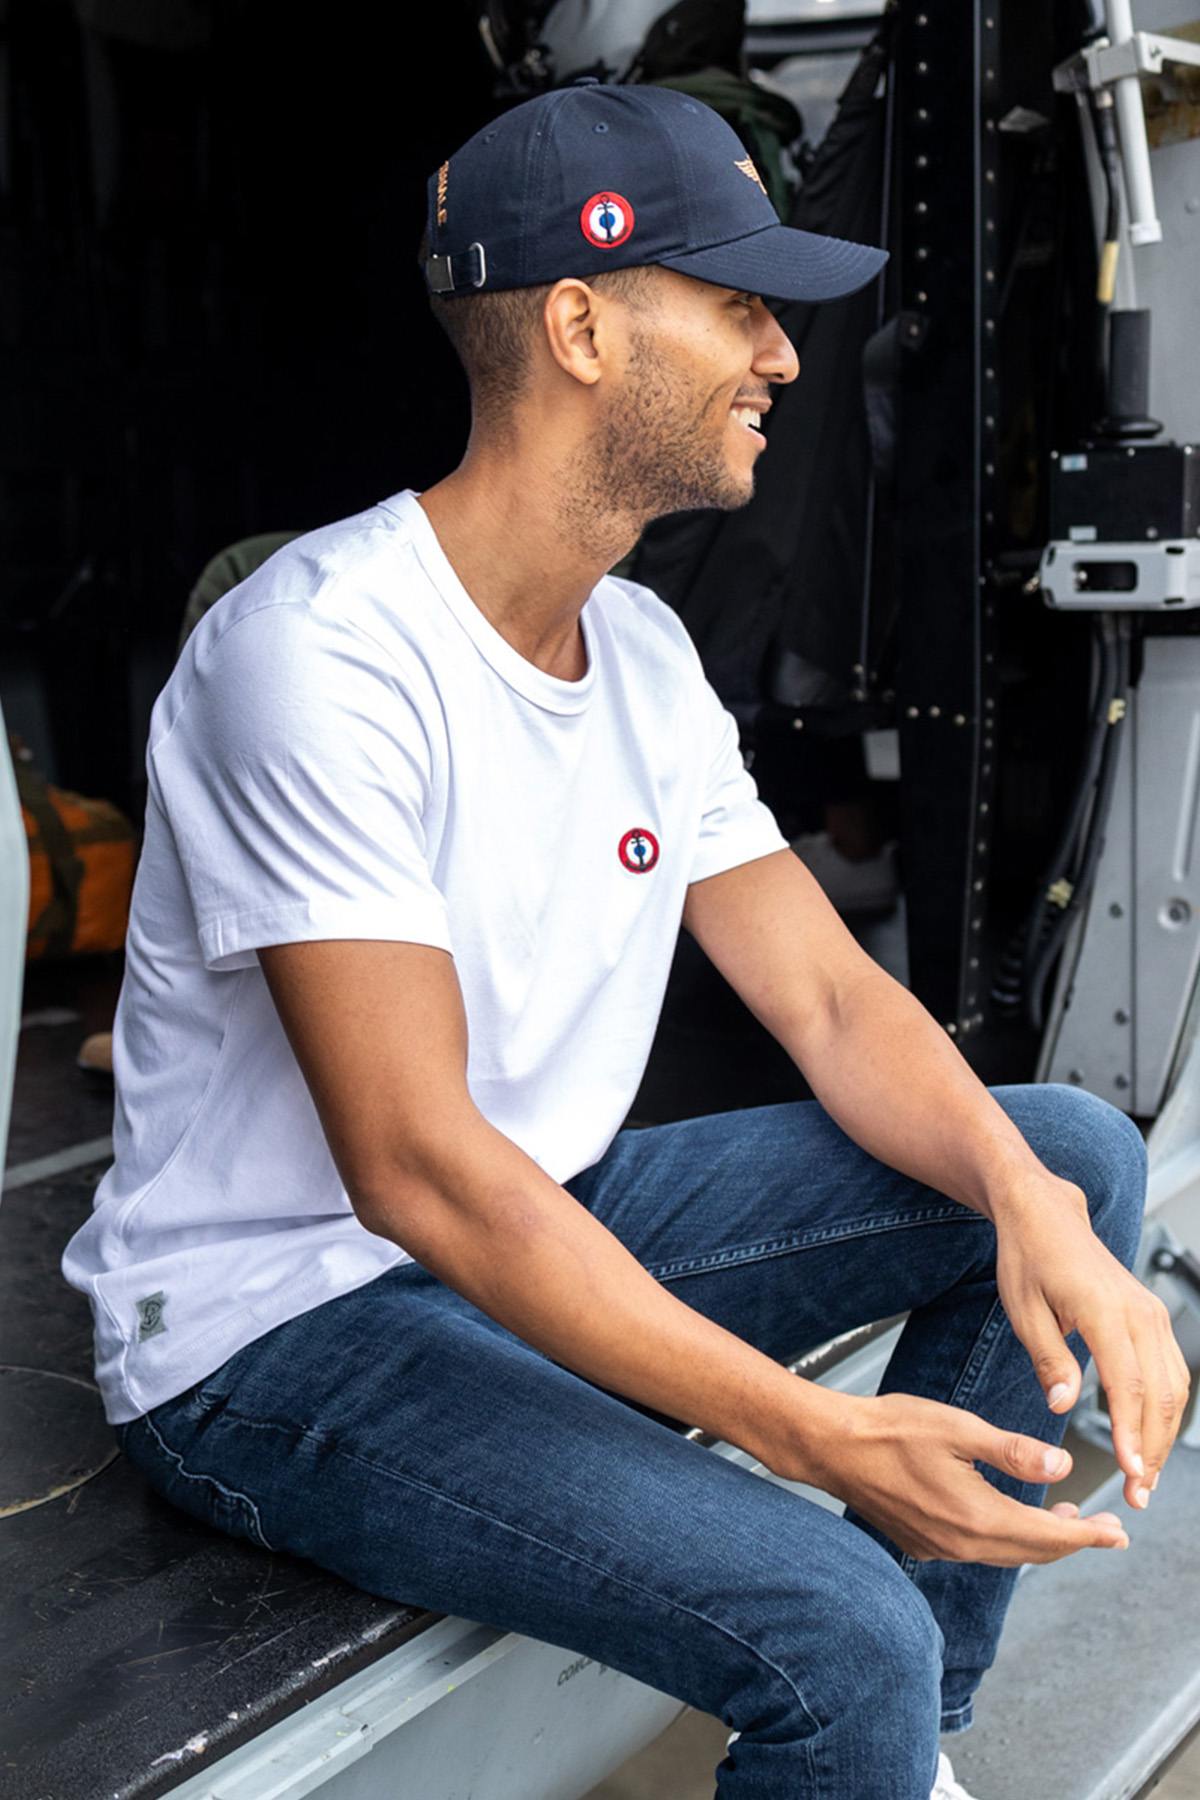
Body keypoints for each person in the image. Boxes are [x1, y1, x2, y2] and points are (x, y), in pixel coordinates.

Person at [61, 82, 1189, 1800]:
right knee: (841, 1627)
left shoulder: (644, 650)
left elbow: (822, 995)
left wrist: (1031, 1210)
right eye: (741, 303)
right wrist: (814, 1436)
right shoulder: (320, 653)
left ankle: (905, 1755)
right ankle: (868, 1695)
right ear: (581, 325)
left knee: (1067, 1151)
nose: (785, 356)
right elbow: (418, 1170)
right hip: (282, 1324)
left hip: (541, 1218)